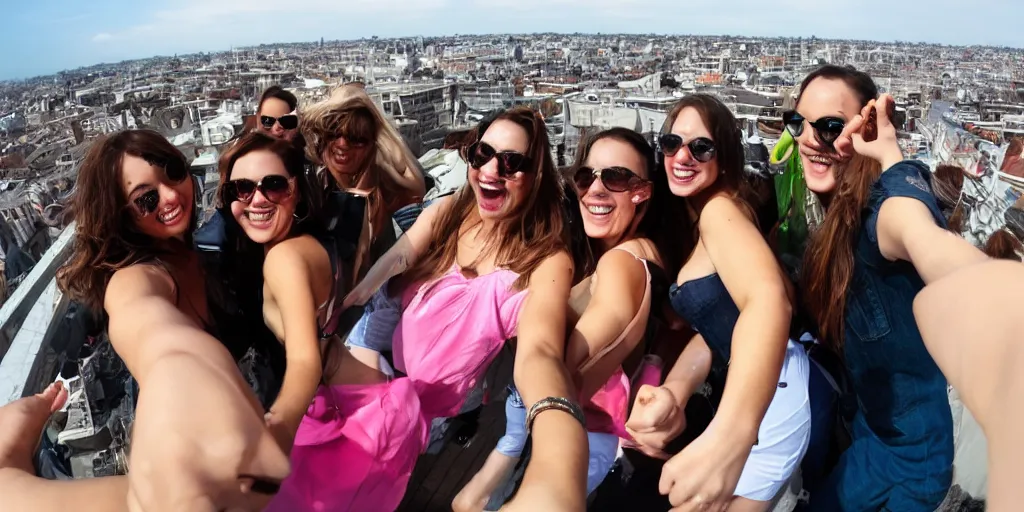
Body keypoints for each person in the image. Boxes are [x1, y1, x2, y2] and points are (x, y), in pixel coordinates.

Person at [51, 129, 289, 511]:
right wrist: (172, 369)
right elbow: (143, 320)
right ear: (121, 216)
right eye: (145, 199)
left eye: (173, 171)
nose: (172, 195)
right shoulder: (137, 277)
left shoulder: (207, 254)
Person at [791, 64, 990, 511]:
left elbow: (930, 243)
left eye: (828, 127)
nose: (807, 139)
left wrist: (997, 290)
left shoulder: (886, 213)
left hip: (914, 466)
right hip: (873, 438)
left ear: (863, 127)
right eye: (797, 123)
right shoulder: (837, 216)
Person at [453, 127, 683, 511]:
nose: (595, 189)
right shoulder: (630, 250)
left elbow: (587, 348)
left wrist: (544, 371)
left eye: (616, 177)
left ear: (642, 190)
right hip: (573, 430)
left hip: (576, 433)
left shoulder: (621, 262)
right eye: (586, 176)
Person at [628, 94, 811, 512]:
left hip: (770, 394)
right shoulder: (716, 213)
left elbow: (770, 301)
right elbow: (721, 328)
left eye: (701, 147)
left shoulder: (718, 213)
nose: (681, 156)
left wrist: (731, 435)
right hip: (773, 385)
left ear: (724, 156)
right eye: (671, 143)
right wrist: (676, 387)